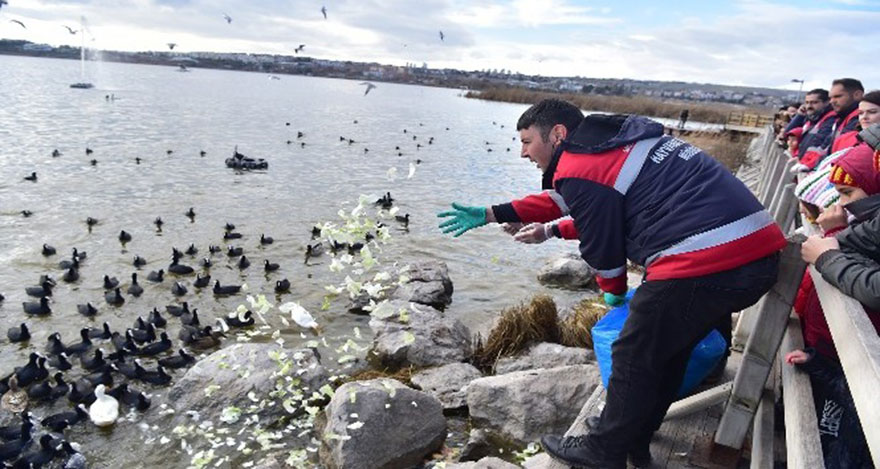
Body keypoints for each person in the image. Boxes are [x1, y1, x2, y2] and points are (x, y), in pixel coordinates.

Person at [438, 104, 785, 468]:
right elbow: (574, 204)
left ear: (557, 134)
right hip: (750, 256)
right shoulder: (610, 147)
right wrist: (493, 213)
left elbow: (603, 245)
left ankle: (604, 451)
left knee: (633, 351)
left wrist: (614, 290)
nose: (523, 152)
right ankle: (632, 433)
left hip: (707, 258)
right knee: (668, 351)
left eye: (527, 142)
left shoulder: (583, 166)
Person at [792, 137, 880, 468]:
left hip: (855, 360)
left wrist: (829, 251)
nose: (839, 204)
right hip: (837, 355)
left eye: (846, 194)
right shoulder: (863, 228)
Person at [793, 89, 837, 171]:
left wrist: (807, 163)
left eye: (814, 102)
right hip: (803, 163)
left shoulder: (830, 120)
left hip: (811, 168)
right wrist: (799, 116)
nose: (809, 106)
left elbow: (819, 143)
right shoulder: (811, 120)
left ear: (826, 102)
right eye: (807, 102)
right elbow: (787, 134)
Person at [828, 78, 864, 154]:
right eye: (830, 98)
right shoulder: (842, 118)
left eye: (837, 96)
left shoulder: (861, 120)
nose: (832, 101)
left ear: (857, 95)